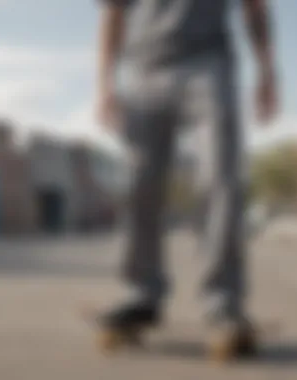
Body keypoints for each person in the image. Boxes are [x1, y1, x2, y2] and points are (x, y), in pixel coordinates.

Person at [94, 0, 278, 357]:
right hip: (143, 70)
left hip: (208, 63)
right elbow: (113, 12)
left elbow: (255, 7)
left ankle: (223, 302)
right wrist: (105, 83)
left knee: (220, 178)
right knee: (139, 184)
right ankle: (142, 293)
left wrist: (267, 71)